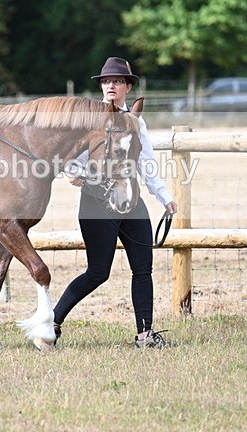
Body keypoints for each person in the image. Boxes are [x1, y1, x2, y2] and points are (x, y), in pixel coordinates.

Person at [54, 57, 179, 348]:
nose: (111, 85)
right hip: (97, 201)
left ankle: (145, 335)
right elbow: (67, 157)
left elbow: (146, 162)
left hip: (132, 201)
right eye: (106, 81)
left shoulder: (136, 121)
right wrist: (78, 174)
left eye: (117, 81)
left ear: (128, 86)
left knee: (143, 269)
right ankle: (52, 321)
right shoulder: (89, 118)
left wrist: (165, 197)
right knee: (98, 272)